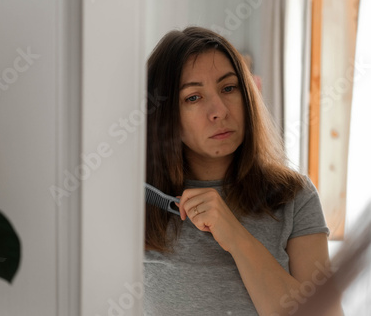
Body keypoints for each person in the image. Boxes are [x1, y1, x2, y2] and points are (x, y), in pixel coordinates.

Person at [144, 27, 343, 316]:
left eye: (228, 88)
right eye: (193, 98)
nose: (220, 110)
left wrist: (237, 238)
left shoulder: (294, 197)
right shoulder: (137, 206)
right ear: (165, 115)